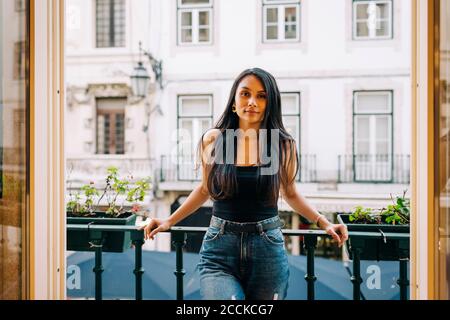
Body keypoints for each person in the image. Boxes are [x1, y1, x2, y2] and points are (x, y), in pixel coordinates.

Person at [141, 68, 348, 300]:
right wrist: (169, 220)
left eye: (261, 96)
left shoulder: (283, 145)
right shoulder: (214, 140)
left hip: (267, 248)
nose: (252, 102)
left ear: (271, 104)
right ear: (233, 102)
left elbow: (290, 193)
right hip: (219, 247)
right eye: (245, 94)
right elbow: (204, 189)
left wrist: (324, 223)